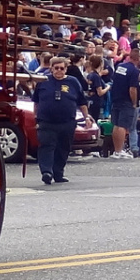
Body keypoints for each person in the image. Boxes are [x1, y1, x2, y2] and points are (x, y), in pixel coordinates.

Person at [33, 54, 85, 185]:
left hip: (67, 122)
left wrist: (87, 116)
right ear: (51, 68)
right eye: (56, 68)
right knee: (46, 146)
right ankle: (46, 172)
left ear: (66, 69)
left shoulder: (73, 82)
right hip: (46, 121)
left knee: (63, 148)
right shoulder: (43, 81)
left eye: (62, 68)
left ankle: (58, 173)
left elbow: (82, 101)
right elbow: (36, 101)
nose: (59, 71)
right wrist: (36, 116)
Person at [107, 47, 140, 158]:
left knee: (116, 124)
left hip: (116, 98)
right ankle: (119, 150)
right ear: (138, 59)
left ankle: (117, 150)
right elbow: (132, 88)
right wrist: (134, 102)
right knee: (123, 125)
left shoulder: (120, 67)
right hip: (126, 100)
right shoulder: (134, 71)